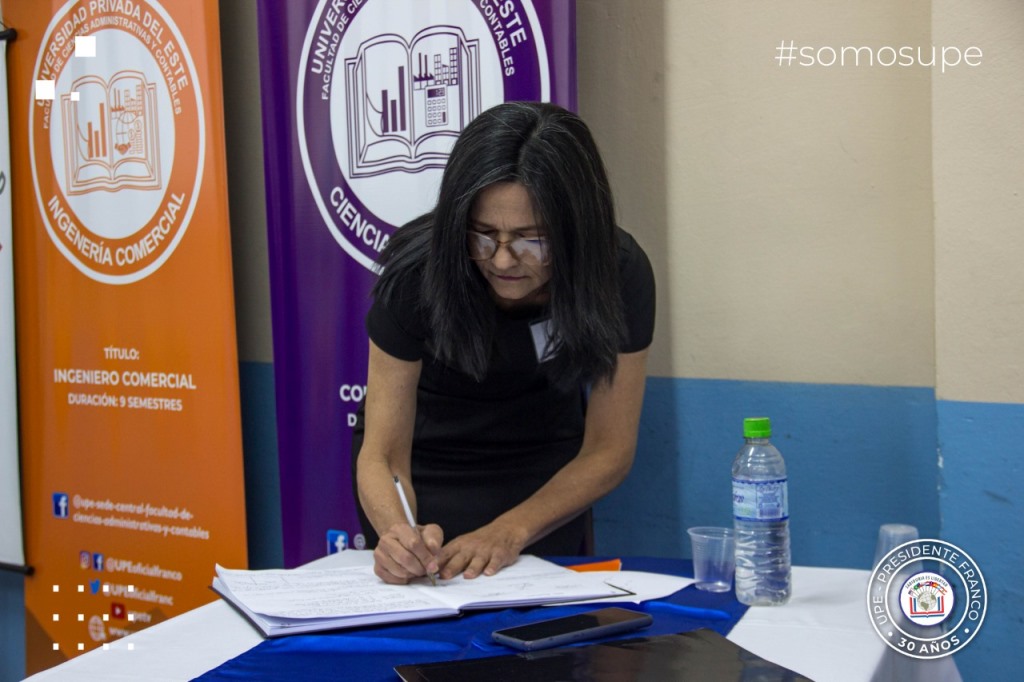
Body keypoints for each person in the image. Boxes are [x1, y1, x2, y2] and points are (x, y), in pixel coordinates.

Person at [352, 101, 655, 585]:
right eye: (484, 235)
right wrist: (396, 534)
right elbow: (383, 453)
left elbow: (609, 449)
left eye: (533, 239)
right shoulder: (417, 273)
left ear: (577, 230)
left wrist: (509, 531)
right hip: (428, 470)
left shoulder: (617, 273)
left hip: (547, 479)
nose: (503, 259)